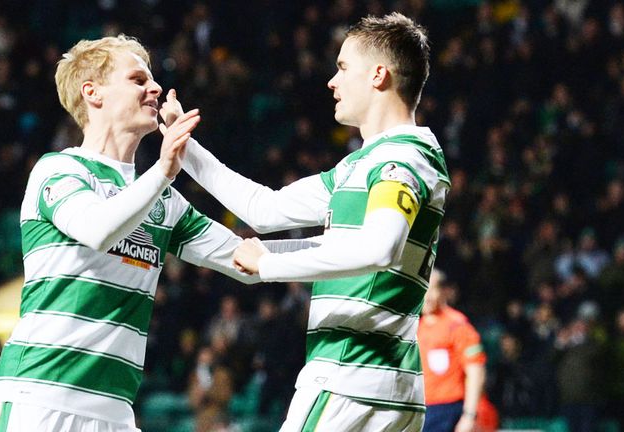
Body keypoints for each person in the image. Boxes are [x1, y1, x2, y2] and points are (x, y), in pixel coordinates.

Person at [166, 13, 449, 432]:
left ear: (378, 75)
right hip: (387, 386)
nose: (332, 82)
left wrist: (269, 265)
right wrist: (182, 145)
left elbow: (379, 250)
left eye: (343, 68)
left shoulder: (399, 160)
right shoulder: (362, 165)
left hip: (350, 378)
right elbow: (264, 210)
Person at [0, 34, 270, 432]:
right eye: (138, 80)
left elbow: (249, 261)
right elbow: (97, 229)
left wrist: (345, 244)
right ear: (93, 93)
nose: (156, 88)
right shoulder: (60, 170)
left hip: (115, 410)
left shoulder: (162, 199)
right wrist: (163, 171)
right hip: (40, 397)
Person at [418, 269, 487, 432]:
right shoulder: (415, 325)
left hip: (448, 410)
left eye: (431, 289)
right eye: (422, 289)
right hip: (420, 408)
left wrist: (469, 415)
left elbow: (476, 372)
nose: (426, 296)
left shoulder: (458, 326)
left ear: (443, 292)